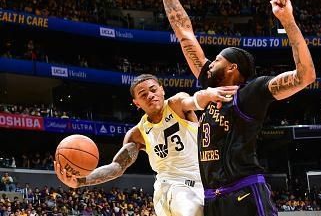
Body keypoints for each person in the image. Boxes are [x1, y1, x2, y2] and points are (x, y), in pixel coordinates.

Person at [152, 0, 316, 216]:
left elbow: (304, 77)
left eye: (217, 59)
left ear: (232, 68)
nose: (209, 62)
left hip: (244, 192)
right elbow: (184, 32)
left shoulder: (251, 92)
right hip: (213, 198)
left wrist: (288, 22)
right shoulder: (209, 87)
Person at [55, 74, 238, 216]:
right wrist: (81, 181)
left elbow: (194, 100)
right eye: (144, 95)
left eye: (153, 90)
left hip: (202, 184)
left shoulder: (176, 105)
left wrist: (209, 94)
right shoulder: (137, 134)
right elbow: (117, 167)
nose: (151, 95)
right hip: (173, 187)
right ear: (137, 103)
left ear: (162, 90)